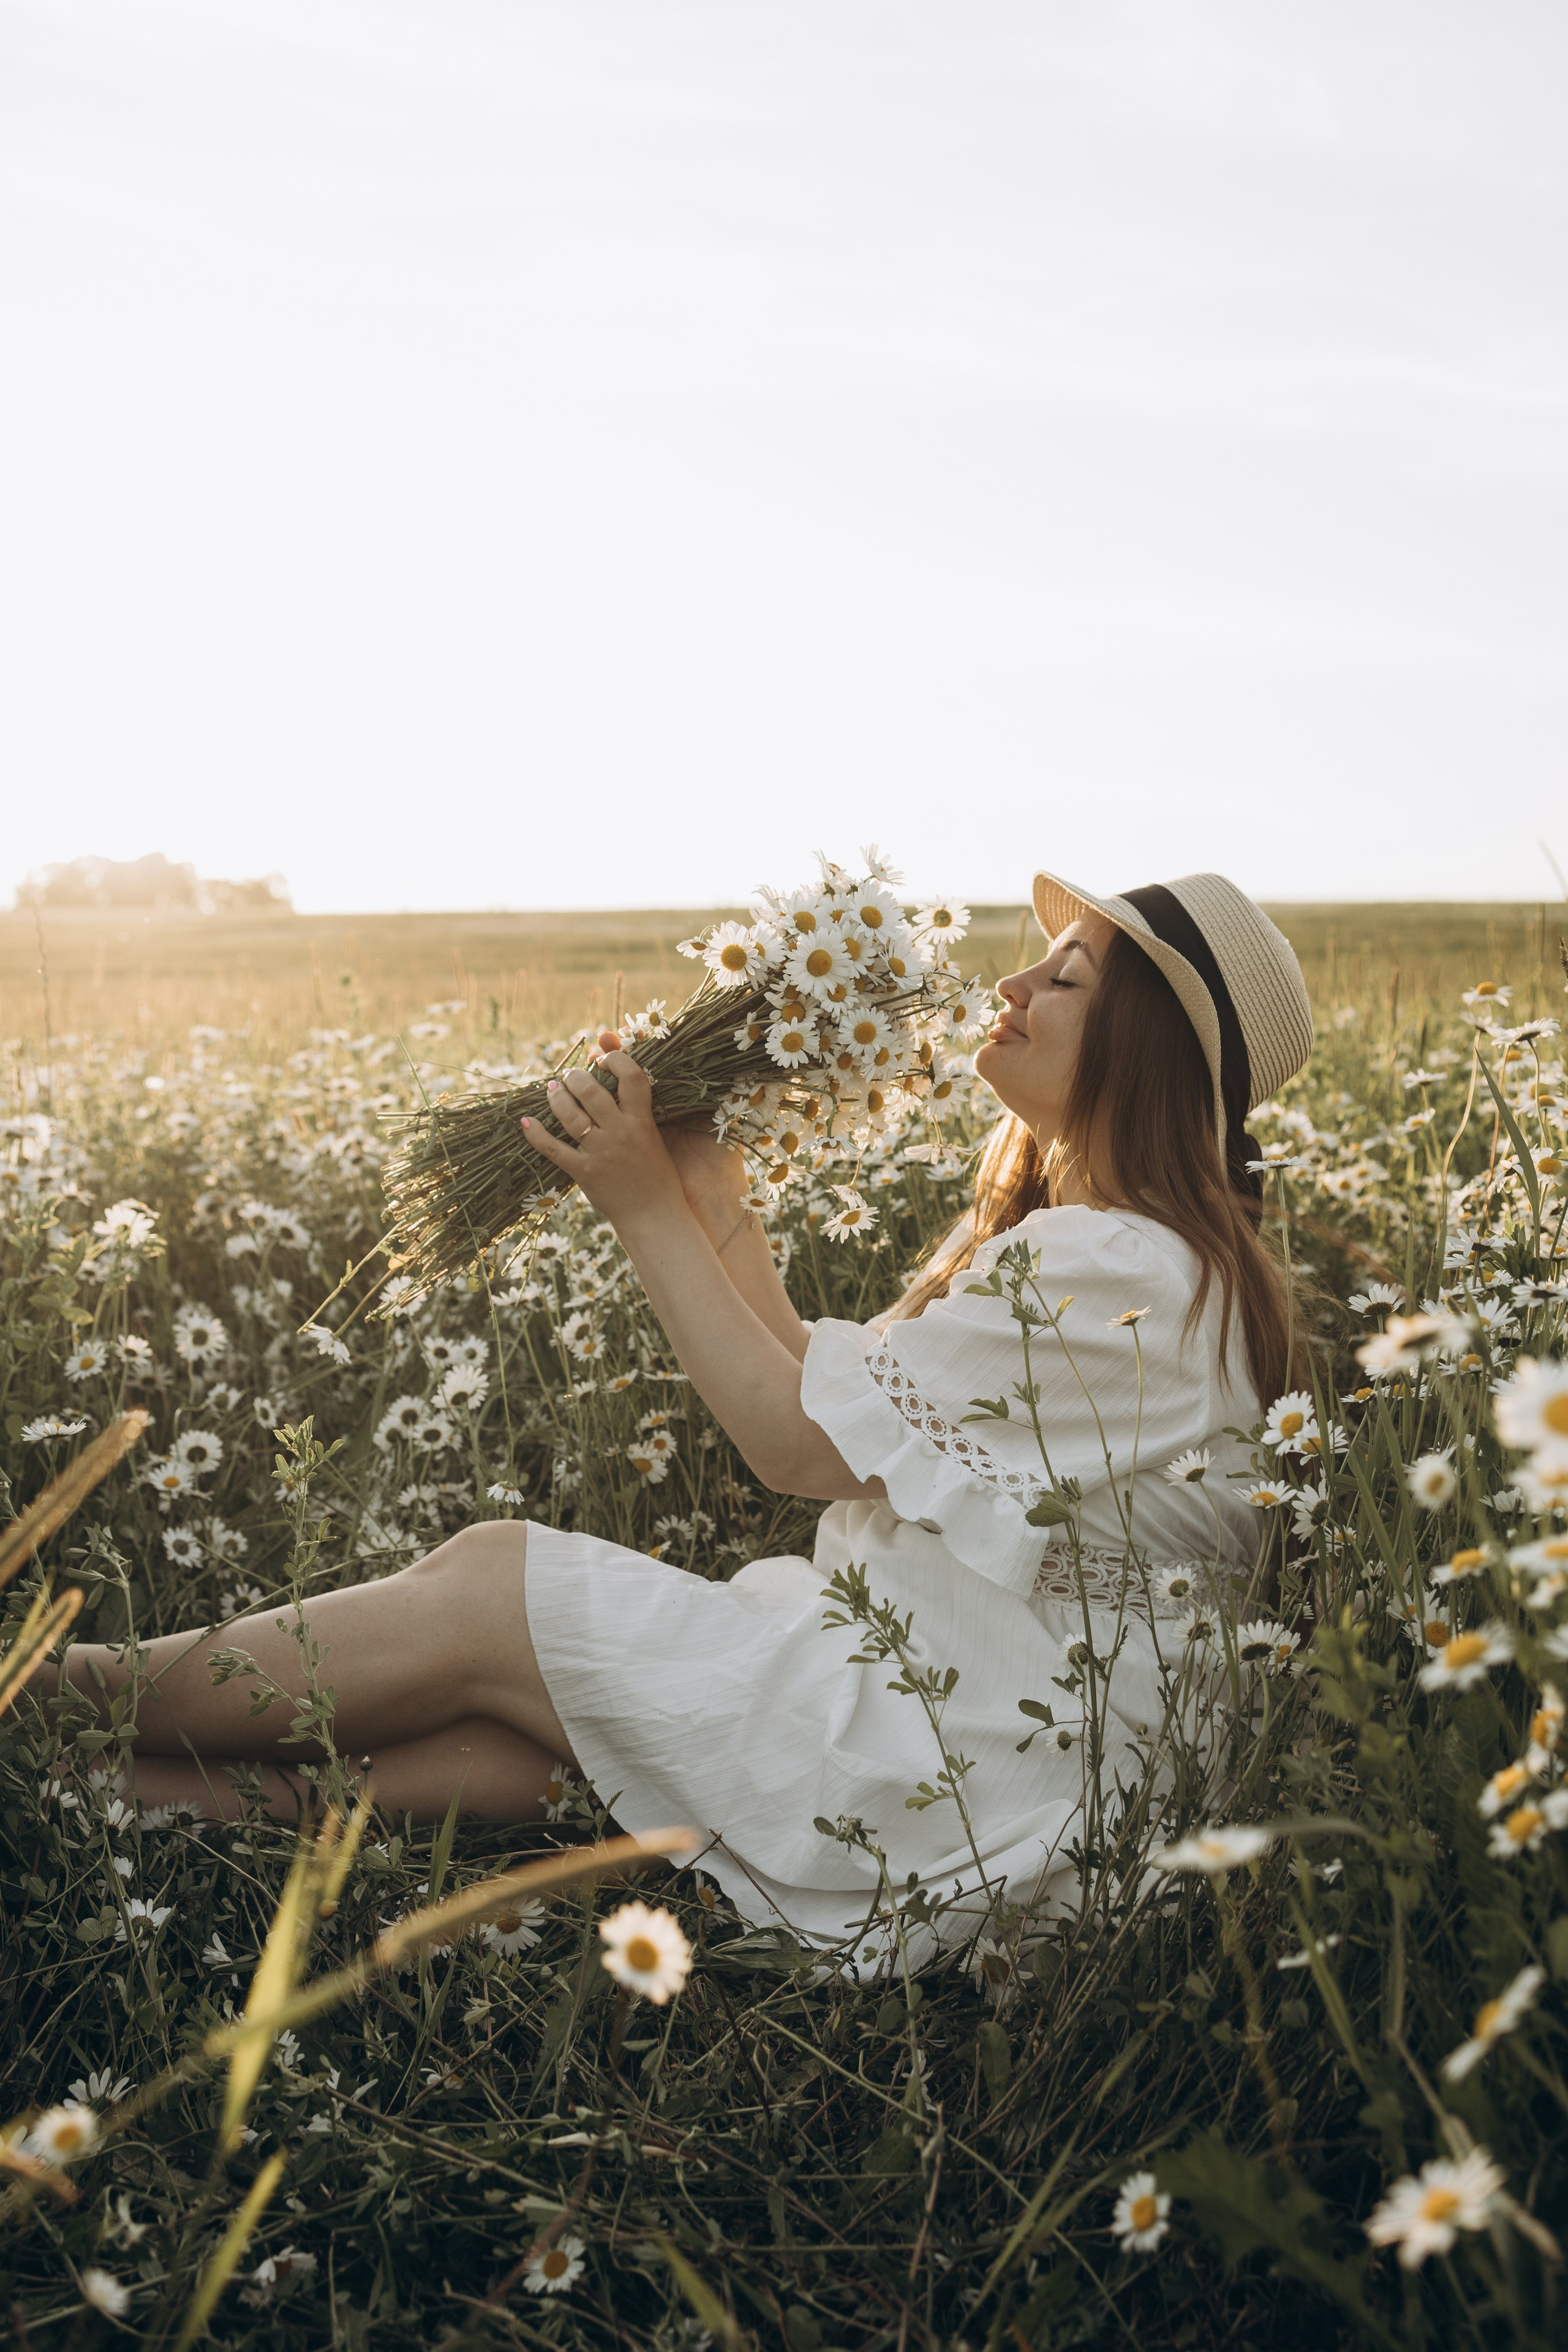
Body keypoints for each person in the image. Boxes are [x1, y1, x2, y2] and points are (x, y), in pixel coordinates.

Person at [64, 869, 1314, 1963]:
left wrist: (636, 1202)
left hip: (982, 1766)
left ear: (1142, 1050)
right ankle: (101, 1785)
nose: (1011, 983)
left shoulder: (1118, 1269)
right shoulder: (1135, 1257)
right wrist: (703, 1179)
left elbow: (792, 1447)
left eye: (1065, 977)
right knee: (561, 1744)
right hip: (1001, 1735)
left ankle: (54, 1694)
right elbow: (841, 1405)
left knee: (501, 1584)